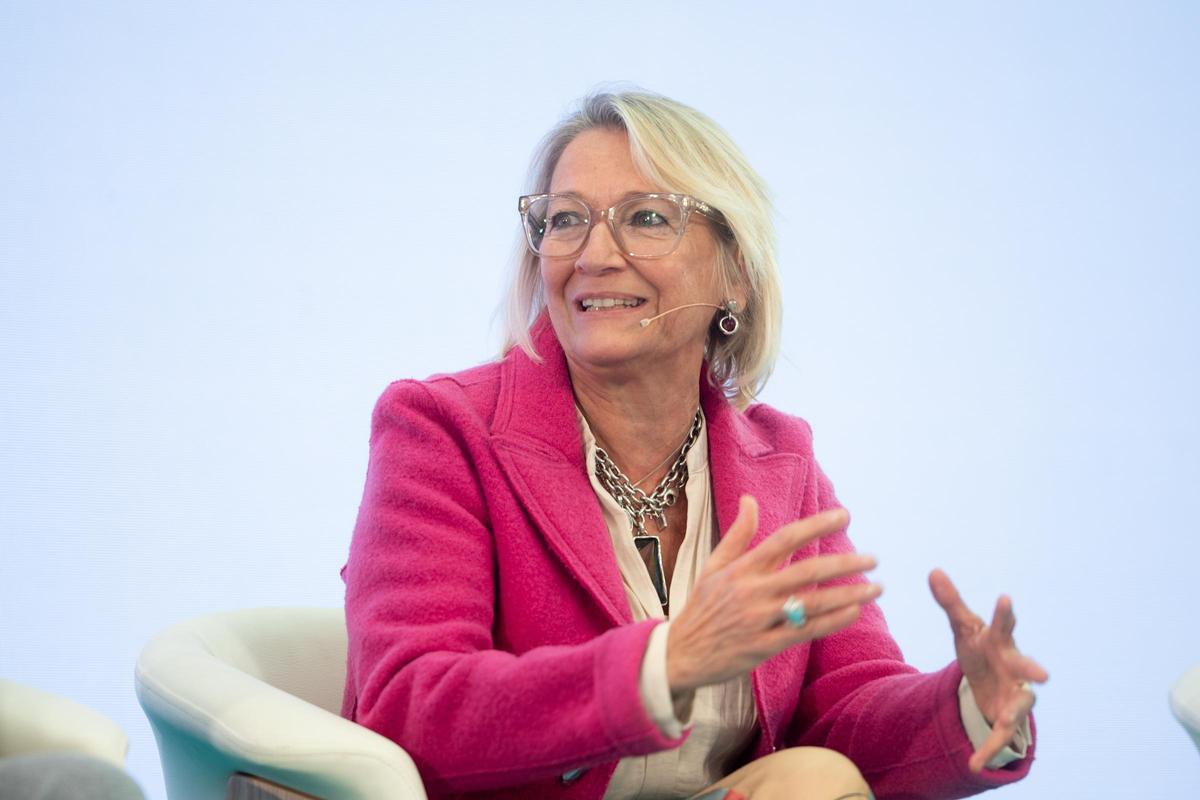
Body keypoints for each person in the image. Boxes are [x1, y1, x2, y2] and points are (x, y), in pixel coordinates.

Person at [340, 90, 1048, 800]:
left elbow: (846, 708)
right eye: (566, 219)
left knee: (819, 777)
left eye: (646, 217)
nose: (594, 255)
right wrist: (664, 664)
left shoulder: (783, 464)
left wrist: (971, 707)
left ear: (735, 274)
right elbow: (409, 706)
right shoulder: (441, 429)